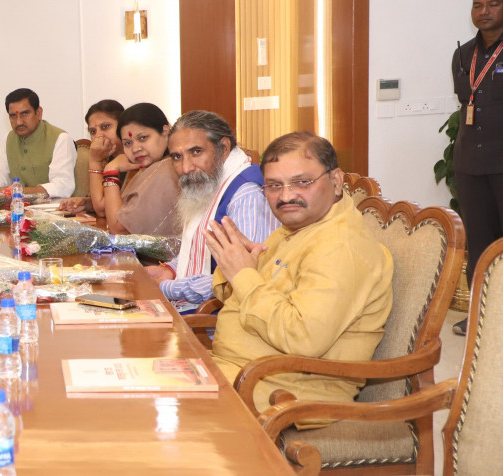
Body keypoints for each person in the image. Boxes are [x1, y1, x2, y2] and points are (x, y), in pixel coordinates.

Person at [206, 131, 393, 424]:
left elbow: (302, 338)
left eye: (302, 182)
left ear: (335, 181)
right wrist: (240, 265)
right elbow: (242, 300)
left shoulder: (340, 246)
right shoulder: (296, 229)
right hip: (237, 373)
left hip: (283, 394)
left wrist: (244, 274)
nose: (286, 196)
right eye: (274, 185)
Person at [144, 111, 279, 305]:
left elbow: (243, 275)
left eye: (196, 152)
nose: (186, 168)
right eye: (177, 156)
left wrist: (167, 287)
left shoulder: (246, 194)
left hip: (222, 315)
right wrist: (170, 270)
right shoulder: (210, 182)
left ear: (223, 148)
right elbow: (201, 252)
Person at [451, 0, 503, 335]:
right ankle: (479, 314)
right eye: (477, 5)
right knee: (480, 243)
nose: (484, 11)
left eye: (493, 4)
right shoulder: (462, 54)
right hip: (470, 162)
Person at [96, 102, 182, 235]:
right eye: (128, 143)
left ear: (165, 132)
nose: (135, 149)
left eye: (143, 138)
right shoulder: (151, 167)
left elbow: (119, 230)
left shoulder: (167, 170)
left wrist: (110, 172)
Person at [0, 88, 78, 198]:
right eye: (13, 116)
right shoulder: (9, 139)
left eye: (25, 113)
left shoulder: (61, 139)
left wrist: (17, 191)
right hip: (17, 206)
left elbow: (62, 186)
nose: (19, 122)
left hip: (53, 207)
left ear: (39, 113)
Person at [61, 99, 126, 214]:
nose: (98, 136)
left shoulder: (135, 159)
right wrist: (86, 203)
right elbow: (106, 200)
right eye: (93, 131)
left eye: (105, 127)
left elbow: (102, 209)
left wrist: (95, 161)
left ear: (123, 126)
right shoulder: (108, 159)